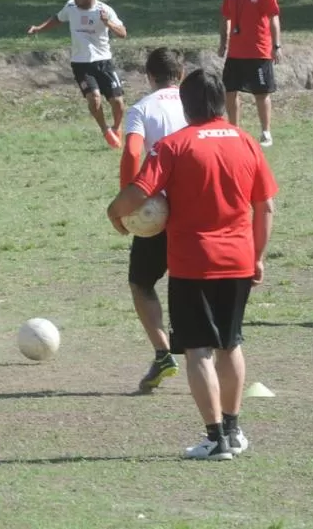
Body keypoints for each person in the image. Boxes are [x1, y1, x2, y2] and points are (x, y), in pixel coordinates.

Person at [107, 69, 277, 461]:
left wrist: (114, 211)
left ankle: (215, 438)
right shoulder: (246, 141)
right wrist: (258, 256)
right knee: (230, 344)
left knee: (199, 350)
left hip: (193, 264)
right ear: (220, 102)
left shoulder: (173, 146)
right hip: (238, 259)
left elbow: (140, 192)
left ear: (185, 105)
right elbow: (265, 205)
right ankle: (233, 431)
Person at [119, 48, 188, 393]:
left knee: (142, 283)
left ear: (148, 76)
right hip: (198, 206)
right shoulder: (198, 103)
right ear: (182, 73)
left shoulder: (141, 109)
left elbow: (133, 152)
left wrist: (129, 204)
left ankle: (163, 352)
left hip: (157, 211)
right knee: (189, 277)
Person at [27, 0, 128, 149]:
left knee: (118, 102)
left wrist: (107, 23)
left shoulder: (104, 10)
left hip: (103, 61)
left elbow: (123, 33)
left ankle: (116, 128)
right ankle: (105, 130)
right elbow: (57, 19)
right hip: (81, 64)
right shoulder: (71, 7)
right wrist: (39, 28)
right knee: (94, 99)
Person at [218, 0, 281, 147]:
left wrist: (276, 46)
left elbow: (273, 18)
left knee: (261, 93)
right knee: (230, 91)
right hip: (236, 51)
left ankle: (265, 132)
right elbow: (225, 17)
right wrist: (223, 42)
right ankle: (234, 128)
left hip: (258, 50)